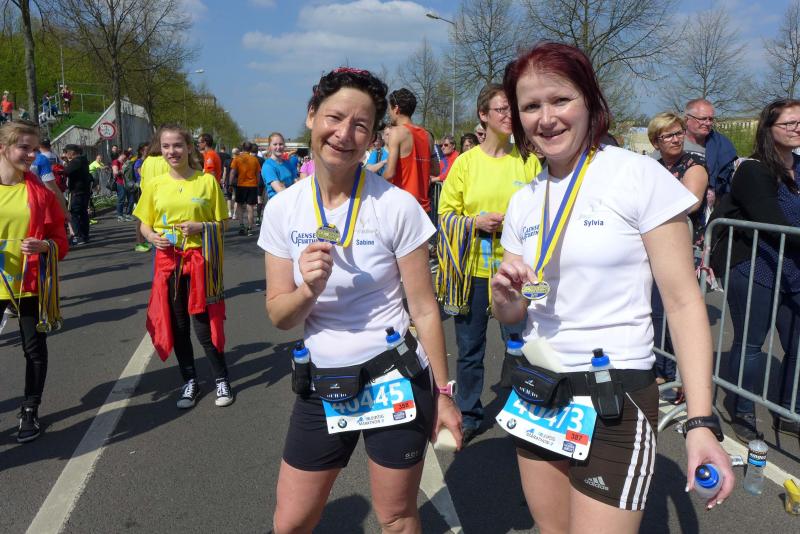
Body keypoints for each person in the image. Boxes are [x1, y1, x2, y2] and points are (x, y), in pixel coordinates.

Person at [492, 42, 733, 531]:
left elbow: (684, 303)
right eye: (531, 106)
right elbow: (514, 315)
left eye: (560, 100)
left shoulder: (636, 175)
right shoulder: (524, 201)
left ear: (589, 101)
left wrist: (701, 421)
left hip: (614, 396)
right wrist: (505, 300)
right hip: (538, 389)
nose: (546, 118)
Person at [259, 67, 462, 533]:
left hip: (393, 375)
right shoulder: (282, 209)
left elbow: (424, 308)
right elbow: (279, 316)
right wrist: (307, 290)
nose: (344, 134)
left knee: (396, 517)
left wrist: (444, 395)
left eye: (360, 125)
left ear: (372, 138)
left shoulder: (395, 205)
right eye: (334, 117)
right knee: (291, 521)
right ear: (312, 116)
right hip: (323, 380)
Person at [437, 83, 541, 444]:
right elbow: (445, 215)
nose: (509, 116)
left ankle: (524, 407)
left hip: (517, 274)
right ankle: (469, 413)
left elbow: (542, 210)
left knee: (521, 346)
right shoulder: (465, 163)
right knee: (469, 351)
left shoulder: (527, 161)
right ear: (483, 115)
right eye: (501, 110)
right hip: (473, 274)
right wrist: (475, 222)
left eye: (513, 109)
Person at [716, 99, 800, 441]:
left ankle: (788, 411)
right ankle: (743, 410)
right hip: (756, 266)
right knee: (751, 344)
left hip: (793, 268)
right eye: (789, 123)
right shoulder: (753, 169)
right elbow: (772, 221)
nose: (797, 128)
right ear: (769, 128)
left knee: (796, 344)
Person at [133, 124, 232, 409]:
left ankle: (221, 378)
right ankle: (189, 380)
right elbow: (145, 223)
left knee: (204, 327)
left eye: (177, 145)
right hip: (168, 263)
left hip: (200, 262)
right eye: (166, 146)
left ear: (189, 147)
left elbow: (224, 223)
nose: (172, 151)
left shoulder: (207, 182)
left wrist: (201, 226)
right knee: (178, 327)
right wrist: (152, 237)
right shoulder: (155, 184)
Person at [0, 120, 69, 442]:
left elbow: (60, 240)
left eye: (33, 148)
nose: (30, 154)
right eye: (23, 148)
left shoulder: (40, 193)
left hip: (28, 284)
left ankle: (30, 408)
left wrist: (45, 246)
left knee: (33, 349)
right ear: (3, 148)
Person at [647, 112, 709, 401]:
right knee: (656, 313)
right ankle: (661, 372)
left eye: (678, 133)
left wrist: (649, 204)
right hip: (654, 248)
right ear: (655, 142)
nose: (675, 139)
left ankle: (676, 379)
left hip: (683, 250)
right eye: (668, 135)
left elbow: (689, 203)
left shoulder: (694, 166)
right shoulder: (654, 168)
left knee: (677, 313)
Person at [383, 88, 439, 213]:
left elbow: (390, 173)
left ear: (396, 109)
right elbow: (436, 170)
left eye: (389, 109)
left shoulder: (396, 132)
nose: (389, 113)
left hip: (402, 207)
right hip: (423, 208)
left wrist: (373, 184)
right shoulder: (428, 136)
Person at [63, 144, 93, 246]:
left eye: (66, 152)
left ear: (72, 152)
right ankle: (85, 236)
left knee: (74, 213)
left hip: (76, 191)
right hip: (84, 190)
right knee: (83, 213)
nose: (65, 154)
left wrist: (63, 166)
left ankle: (78, 236)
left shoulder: (76, 161)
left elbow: (66, 171)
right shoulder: (83, 160)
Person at [230, 142, 260, 236]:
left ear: (242, 148)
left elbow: (232, 172)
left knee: (239, 205)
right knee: (250, 207)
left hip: (241, 185)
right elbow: (258, 174)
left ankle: (241, 226)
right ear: (250, 149)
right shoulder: (254, 159)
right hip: (252, 185)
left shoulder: (237, 158)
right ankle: (250, 228)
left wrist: (230, 184)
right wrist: (257, 183)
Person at [261, 132, 297, 201]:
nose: (278, 147)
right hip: (277, 203)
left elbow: (296, 182)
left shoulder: (288, 163)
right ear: (270, 147)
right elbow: (280, 189)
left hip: (292, 202)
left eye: (281, 144)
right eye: (275, 144)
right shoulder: (268, 166)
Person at [132, 143, 152, 252]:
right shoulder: (139, 162)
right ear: (141, 151)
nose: (148, 151)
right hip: (141, 190)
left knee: (148, 217)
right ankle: (139, 242)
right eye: (146, 149)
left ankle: (145, 240)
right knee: (141, 217)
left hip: (147, 190)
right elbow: (142, 175)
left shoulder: (148, 161)